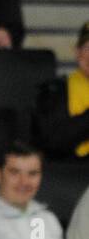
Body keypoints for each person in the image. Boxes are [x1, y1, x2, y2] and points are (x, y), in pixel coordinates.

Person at [35, 21, 89, 159]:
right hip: (70, 172)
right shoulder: (54, 91)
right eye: (88, 48)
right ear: (77, 52)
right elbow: (53, 141)